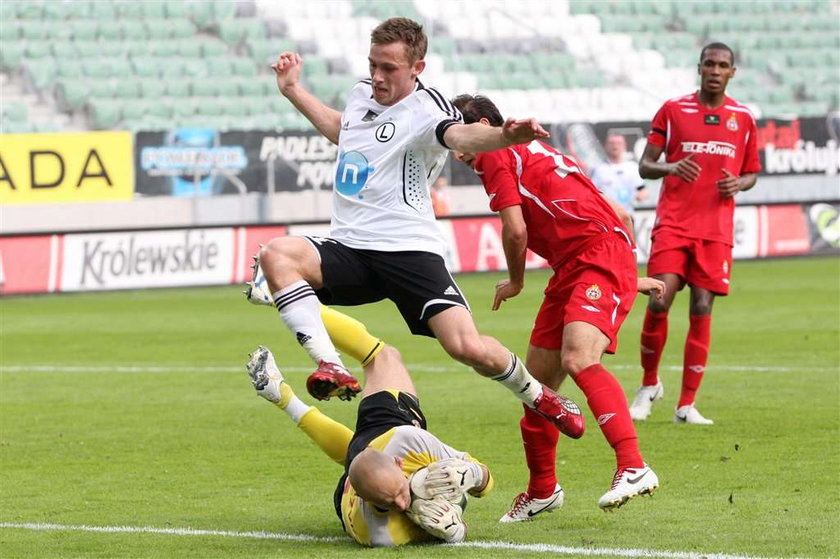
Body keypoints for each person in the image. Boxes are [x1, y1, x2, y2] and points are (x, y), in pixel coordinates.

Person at [254, 17, 584, 439]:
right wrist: (292, 90)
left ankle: (541, 397)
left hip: (409, 250)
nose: (377, 76)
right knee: (276, 254)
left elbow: (461, 137)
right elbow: (345, 132)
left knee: (466, 347)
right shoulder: (360, 96)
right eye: (373, 64)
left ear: (417, 68)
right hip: (350, 248)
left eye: (389, 68)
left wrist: (504, 136)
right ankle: (330, 364)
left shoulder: (428, 108)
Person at [450, 94, 664, 519]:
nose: (456, 149)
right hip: (580, 264)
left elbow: (515, 231)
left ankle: (633, 465)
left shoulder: (496, 153)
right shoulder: (537, 149)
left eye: (462, 135)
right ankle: (543, 490)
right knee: (538, 392)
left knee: (579, 357)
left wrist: (515, 281)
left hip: (592, 258)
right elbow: (615, 212)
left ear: (488, 126)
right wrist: (625, 274)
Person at [244, 310, 494, 547]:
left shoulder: (407, 440)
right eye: (389, 501)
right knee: (381, 358)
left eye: (397, 492)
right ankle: (291, 304)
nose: (400, 502)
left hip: (383, 432)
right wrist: (456, 530)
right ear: (361, 496)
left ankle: (290, 307)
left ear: (397, 462)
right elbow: (444, 528)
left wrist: (474, 474)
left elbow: (484, 479)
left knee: (383, 361)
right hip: (346, 501)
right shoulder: (380, 533)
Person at [628, 42, 760, 425]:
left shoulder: (743, 118)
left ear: (732, 72)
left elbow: (752, 172)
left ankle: (686, 405)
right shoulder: (673, 110)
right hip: (673, 224)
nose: (715, 70)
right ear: (699, 68)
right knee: (658, 300)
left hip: (715, 229)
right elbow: (645, 167)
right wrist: (670, 168)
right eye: (709, 64)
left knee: (702, 307)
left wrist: (740, 183)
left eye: (723, 65)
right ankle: (649, 385)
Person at [589, 133, 648, 217]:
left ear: (624, 146)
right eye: (612, 143)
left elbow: (642, 189)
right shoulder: (598, 169)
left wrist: (640, 195)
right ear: (605, 146)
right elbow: (591, 193)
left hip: (627, 216)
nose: (615, 146)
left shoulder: (632, 167)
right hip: (606, 216)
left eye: (618, 143)